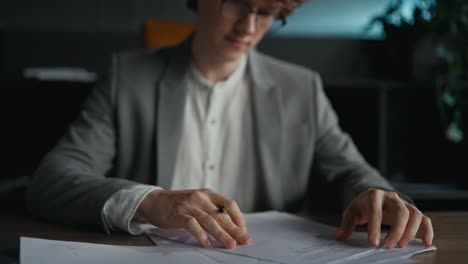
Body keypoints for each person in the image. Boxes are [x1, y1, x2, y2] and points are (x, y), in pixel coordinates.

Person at [26, 0, 433, 250]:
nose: (249, 26)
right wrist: (148, 201)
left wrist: (374, 193)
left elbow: (351, 171)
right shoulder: (128, 77)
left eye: (268, 11)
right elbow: (52, 179)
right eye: (236, 2)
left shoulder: (300, 89)